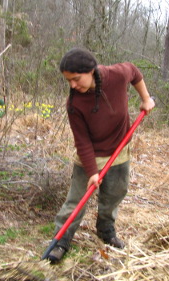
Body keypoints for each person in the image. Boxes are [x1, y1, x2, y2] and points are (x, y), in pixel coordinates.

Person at [48, 48, 155, 263]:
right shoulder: (74, 104)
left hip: (119, 150)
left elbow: (134, 71)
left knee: (115, 194)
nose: (72, 85)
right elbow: (82, 141)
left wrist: (145, 98)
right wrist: (92, 171)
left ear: (91, 71)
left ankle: (106, 230)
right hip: (92, 155)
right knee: (75, 201)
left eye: (76, 79)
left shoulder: (116, 75)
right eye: (68, 81)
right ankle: (61, 240)